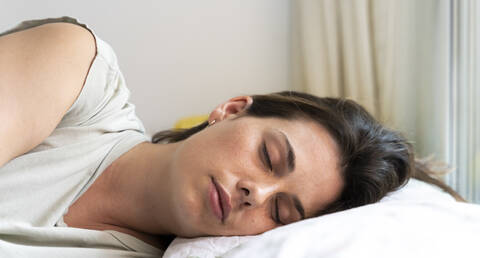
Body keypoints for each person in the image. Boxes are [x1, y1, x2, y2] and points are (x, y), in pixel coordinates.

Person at [0, 17, 463, 256]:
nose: (255, 193)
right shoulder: (81, 72)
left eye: (280, 212)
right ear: (231, 110)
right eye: (269, 156)